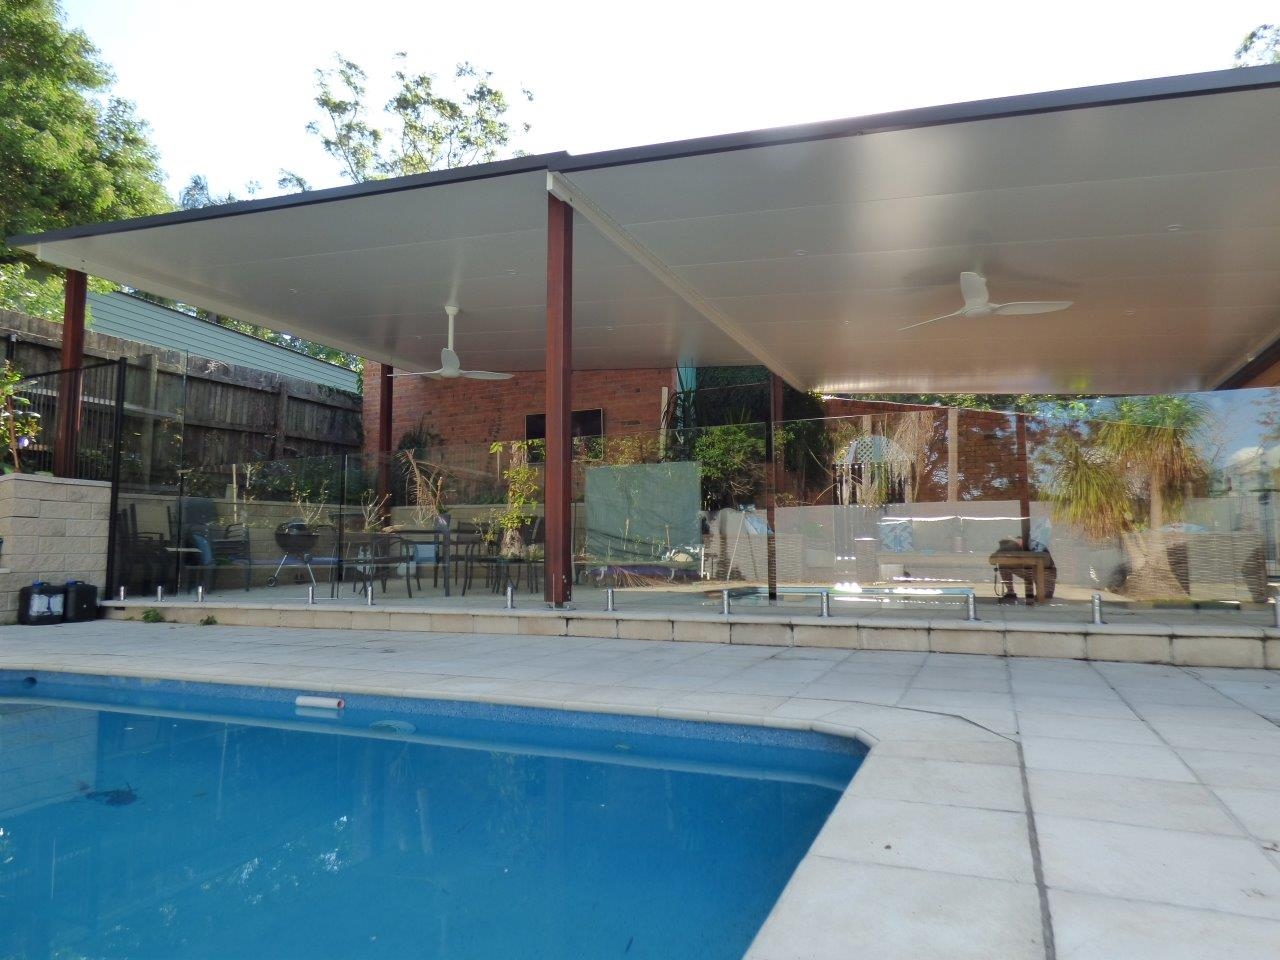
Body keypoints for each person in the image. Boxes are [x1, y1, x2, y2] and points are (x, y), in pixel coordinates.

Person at [989, 535, 1057, 603]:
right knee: (1002, 563)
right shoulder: (1013, 547)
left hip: (1045, 572)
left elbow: (1046, 563)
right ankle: (1010, 592)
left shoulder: (1033, 546)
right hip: (1027, 570)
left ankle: (1034, 594)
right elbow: (992, 560)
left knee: (1045, 598)